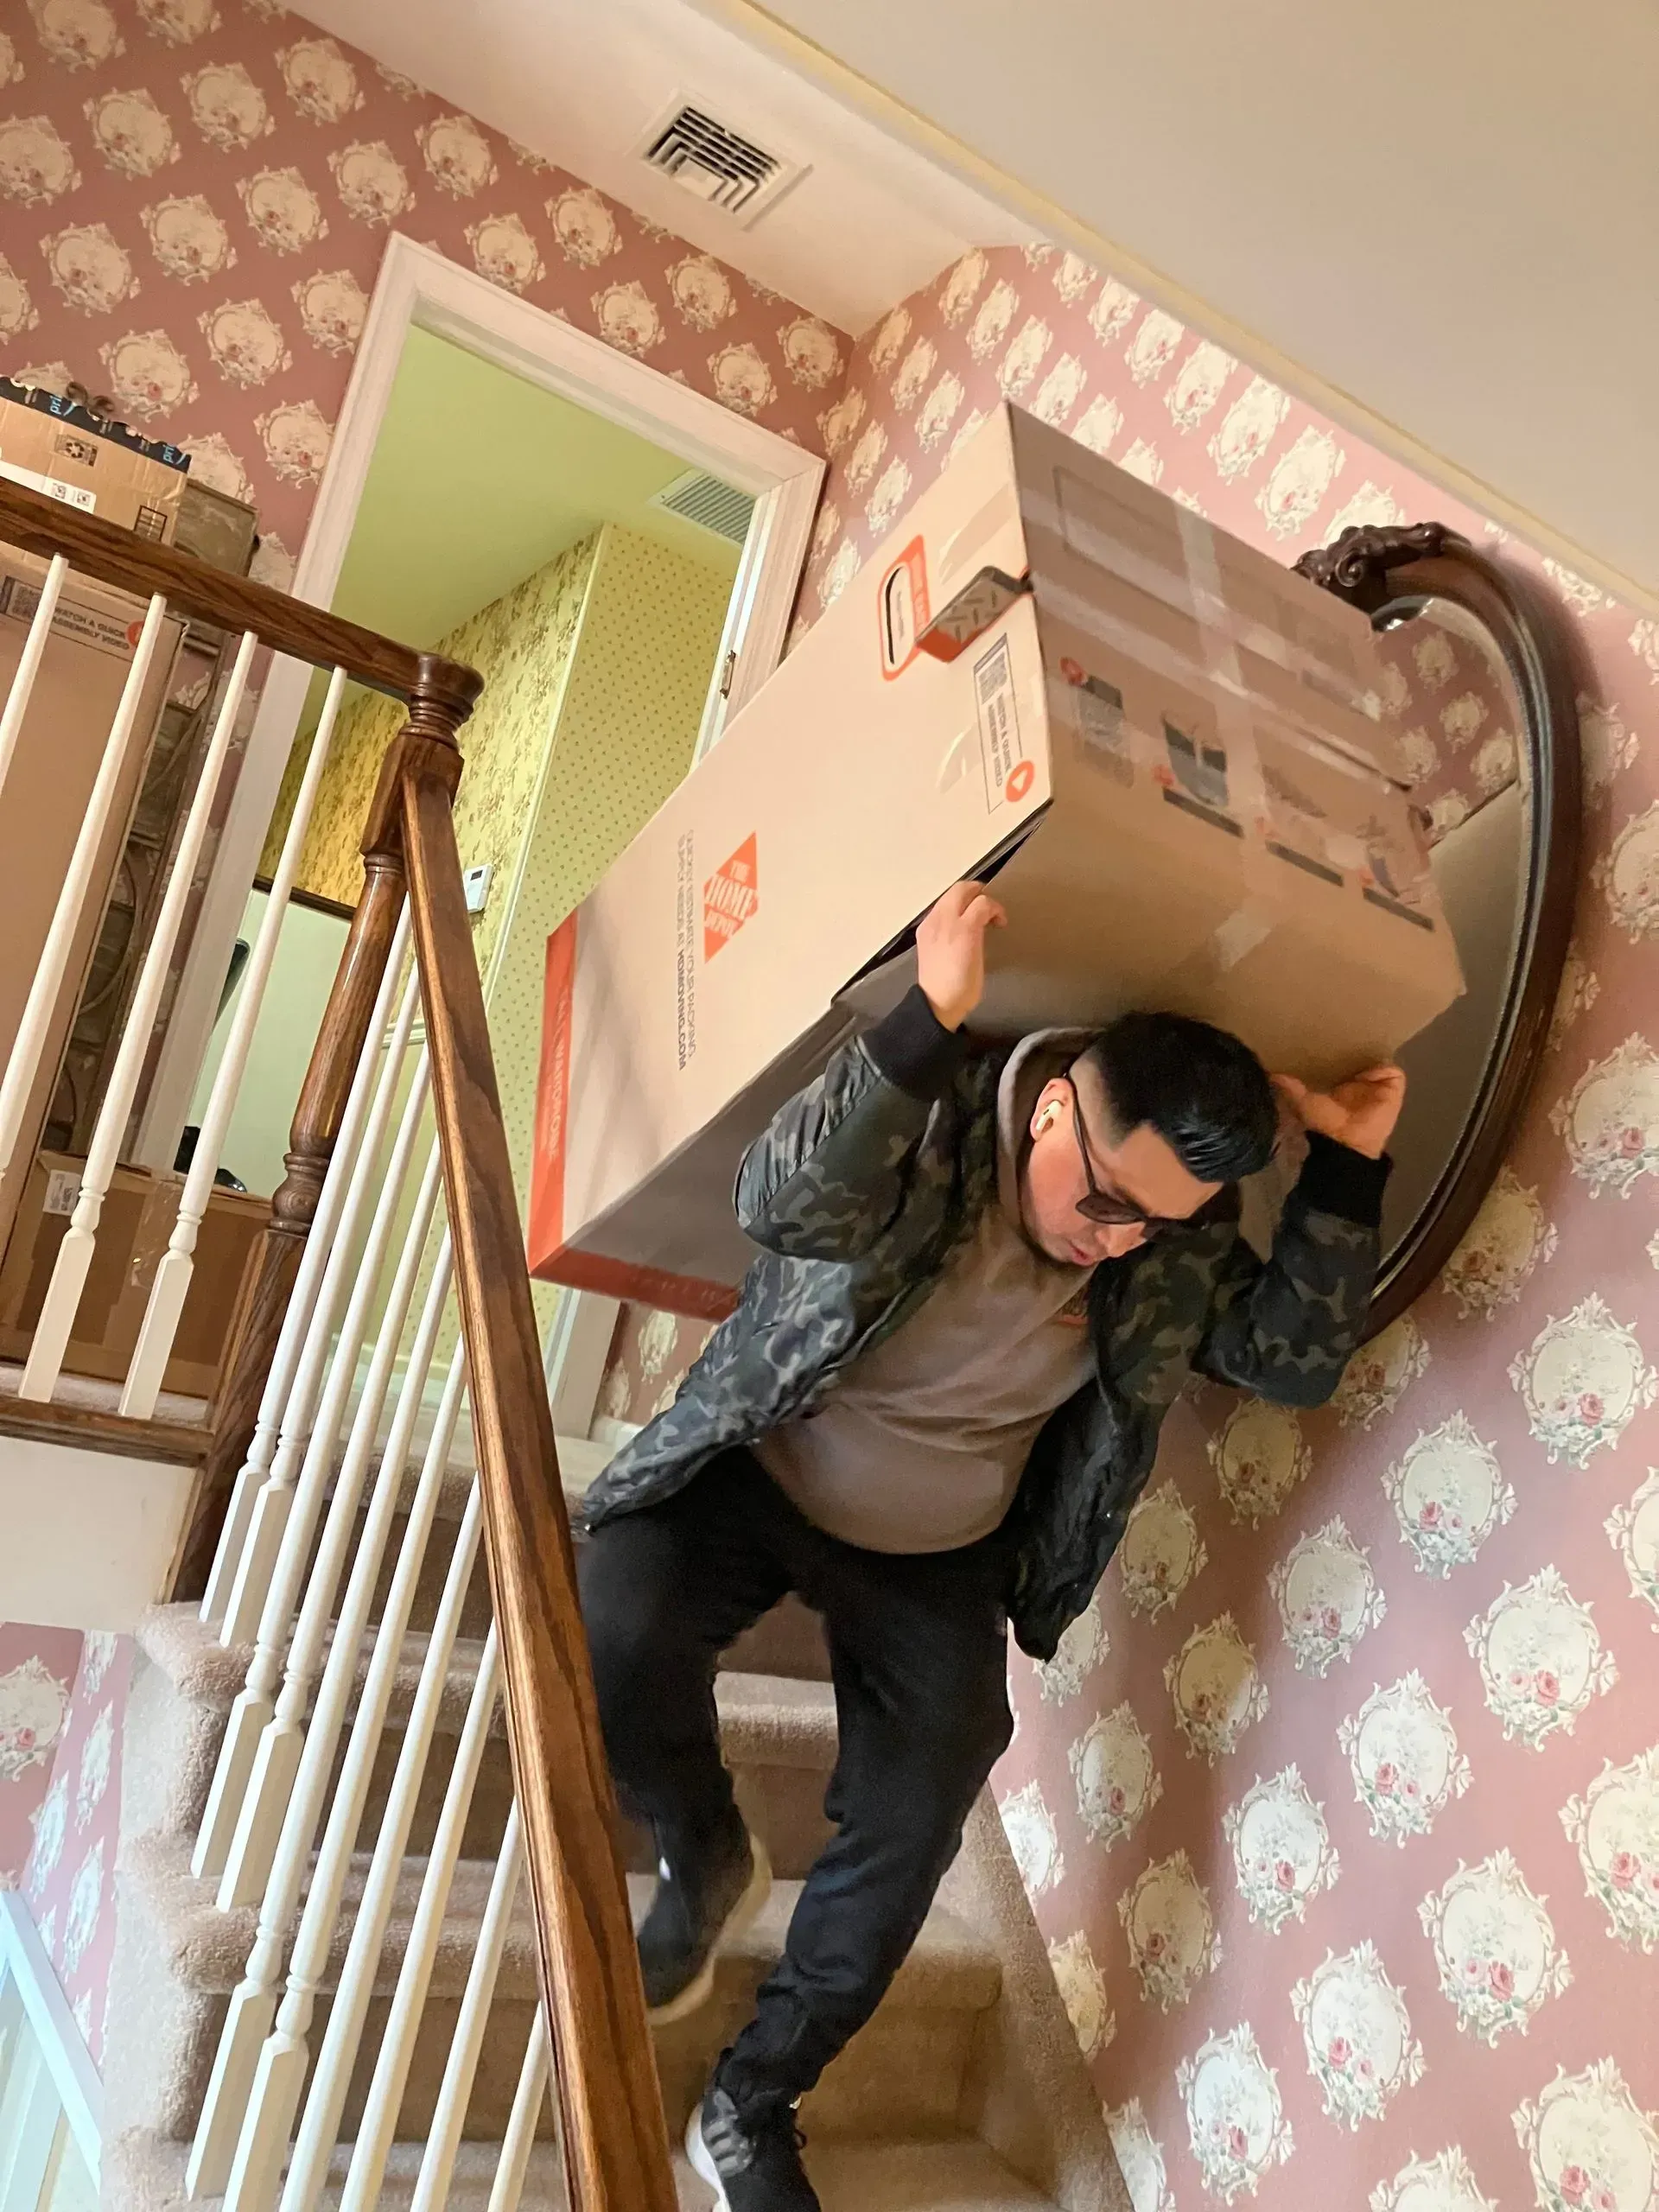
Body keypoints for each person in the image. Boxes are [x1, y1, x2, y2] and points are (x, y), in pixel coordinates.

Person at [577, 880, 1405, 2210]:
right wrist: (925, 1020)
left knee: (912, 1825)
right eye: (1109, 1195)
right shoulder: (938, 1114)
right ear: (1059, 1102)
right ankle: (703, 1840)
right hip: (764, 1460)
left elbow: (1288, 1365)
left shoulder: (1160, 1243)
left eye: (1157, 1219)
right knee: (608, 1632)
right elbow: (778, 1203)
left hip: (945, 1549)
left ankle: (752, 2102)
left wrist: (1351, 1166)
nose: (1115, 1235)